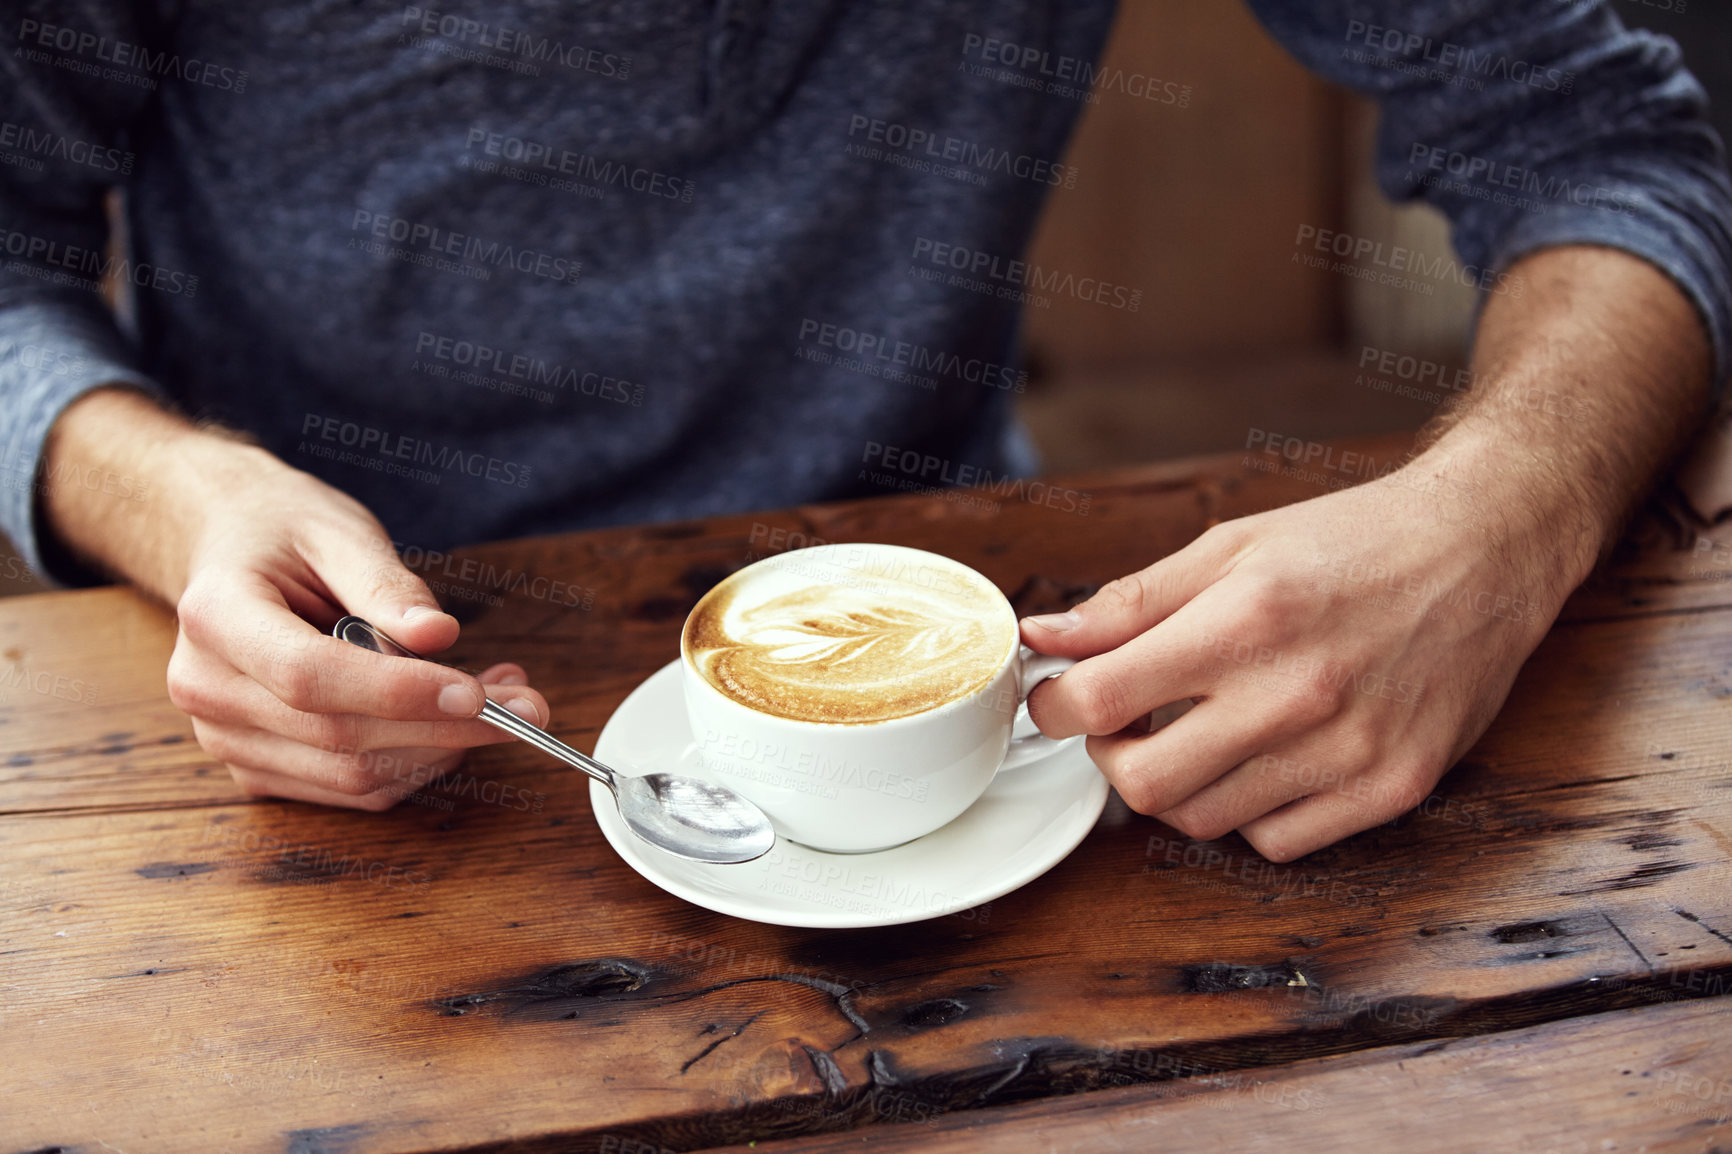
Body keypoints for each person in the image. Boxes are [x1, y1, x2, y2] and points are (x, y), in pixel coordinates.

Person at [3, 1, 1728, 859]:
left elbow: (1608, 144)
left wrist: (1500, 521)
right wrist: (171, 494)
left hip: (997, 679)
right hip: (309, 725)